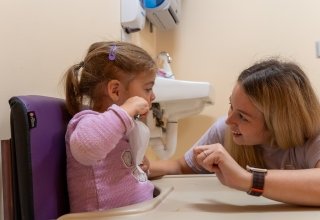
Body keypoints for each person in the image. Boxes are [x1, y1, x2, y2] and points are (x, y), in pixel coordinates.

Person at [150, 58, 320, 206]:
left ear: (280, 123)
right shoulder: (225, 131)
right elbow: (181, 167)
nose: (228, 120)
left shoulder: (314, 136)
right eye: (231, 105)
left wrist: (246, 180)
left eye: (243, 117)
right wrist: (142, 168)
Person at [63, 41, 157, 212]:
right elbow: (87, 146)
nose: (153, 96)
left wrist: (138, 166)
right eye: (148, 88)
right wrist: (126, 110)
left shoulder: (119, 128)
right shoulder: (86, 121)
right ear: (115, 91)